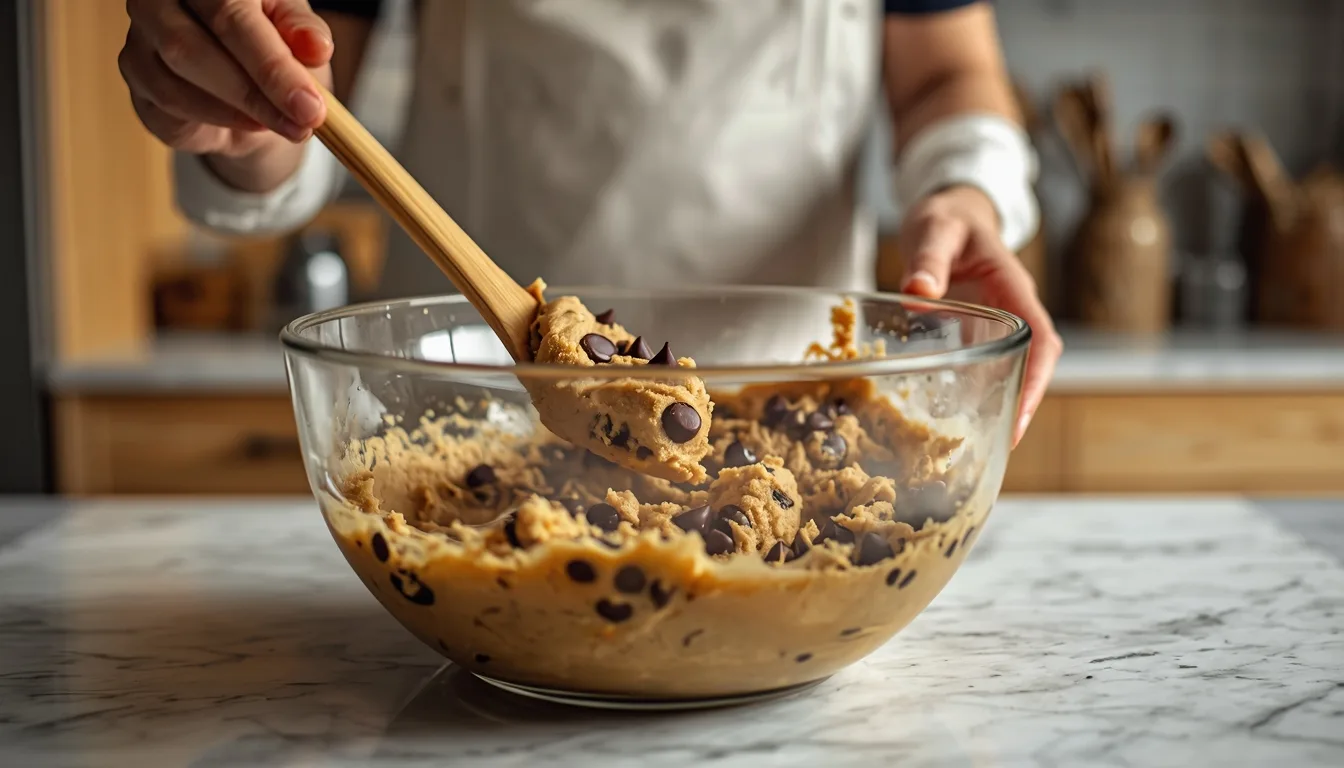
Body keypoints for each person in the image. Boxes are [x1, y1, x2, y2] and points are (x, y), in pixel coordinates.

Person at [119, 0, 1061, 445]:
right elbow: (312, 76)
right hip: (469, 408)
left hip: (791, 410)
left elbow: (948, 71)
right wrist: (243, 113)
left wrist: (966, 189)